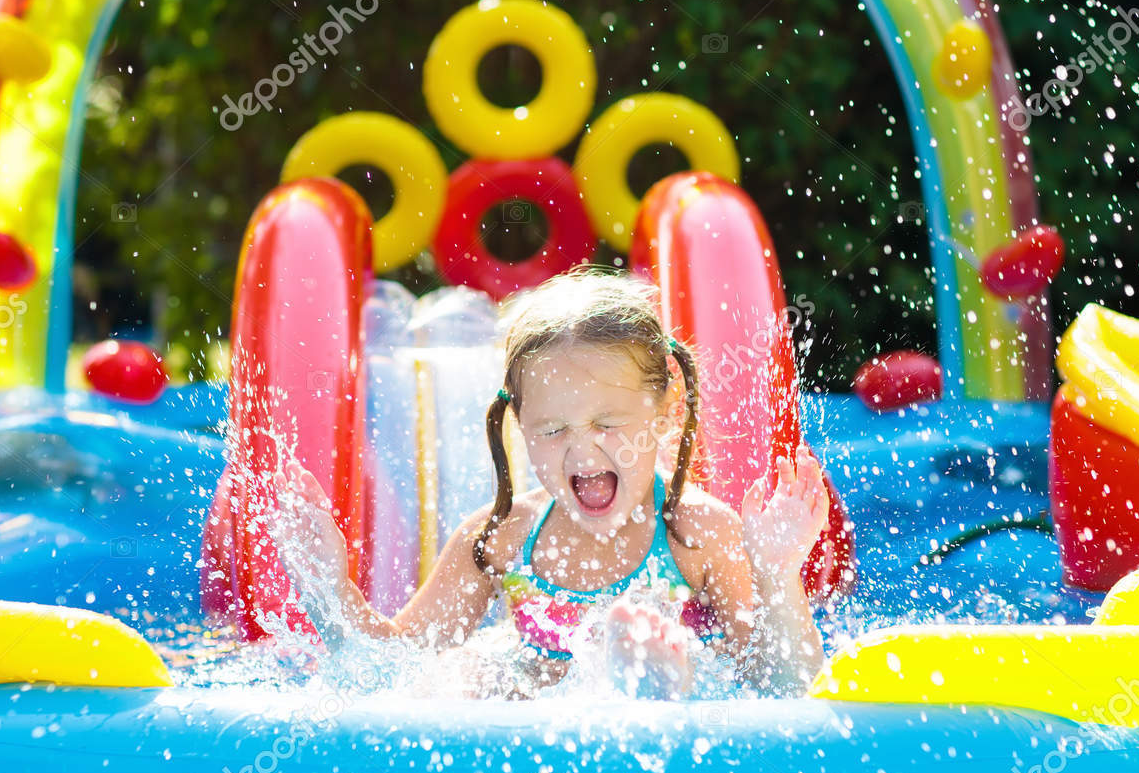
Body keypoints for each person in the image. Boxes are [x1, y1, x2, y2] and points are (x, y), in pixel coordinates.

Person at [273, 268, 830, 697]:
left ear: (664, 412)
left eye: (608, 425)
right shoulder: (499, 540)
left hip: (677, 757)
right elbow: (386, 671)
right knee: (472, 680)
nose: (582, 449)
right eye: (552, 429)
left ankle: (652, 675)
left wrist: (778, 573)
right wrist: (326, 586)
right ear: (519, 425)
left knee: (658, 660)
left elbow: (781, 684)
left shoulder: (698, 533)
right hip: (543, 768)